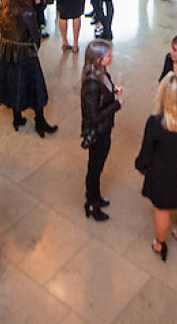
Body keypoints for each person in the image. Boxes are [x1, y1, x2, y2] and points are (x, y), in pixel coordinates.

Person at [134, 74, 177, 263]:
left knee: (162, 209)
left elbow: (146, 152)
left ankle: (160, 244)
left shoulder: (156, 123)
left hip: (162, 174)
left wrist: (141, 166)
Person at [0, 0, 57, 137]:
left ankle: (17, 118)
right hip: (25, 55)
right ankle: (40, 123)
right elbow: (36, 37)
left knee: (13, 85)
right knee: (35, 89)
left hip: (6, 54)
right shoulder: (27, 13)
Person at [81, 40, 123, 221]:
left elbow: (103, 95)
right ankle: (92, 203)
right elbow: (94, 117)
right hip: (98, 133)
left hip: (105, 128)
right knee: (95, 169)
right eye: (107, 55)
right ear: (98, 60)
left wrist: (113, 91)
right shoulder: (91, 84)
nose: (111, 56)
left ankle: (95, 197)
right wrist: (116, 105)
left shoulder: (102, 74)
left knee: (97, 167)